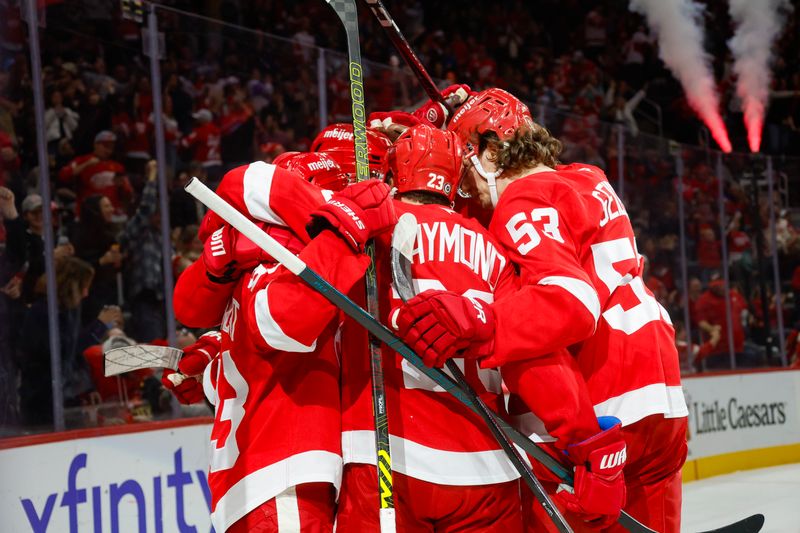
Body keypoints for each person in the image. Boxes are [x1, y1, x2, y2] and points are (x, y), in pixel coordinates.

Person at [393, 88, 688, 532]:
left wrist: (484, 321)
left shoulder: (522, 199)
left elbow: (570, 300)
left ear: (489, 151)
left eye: (467, 169)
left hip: (601, 400)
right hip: (660, 393)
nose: (465, 191)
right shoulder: (588, 177)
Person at [57, 130, 133, 218]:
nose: (108, 150)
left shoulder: (117, 167)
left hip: (112, 215)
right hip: (88, 216)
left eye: (111, 147)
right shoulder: (82, 160)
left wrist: (123, 186)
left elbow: (128, 194)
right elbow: (63, 176)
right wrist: (86, 165)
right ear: (95, 144)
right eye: (105, 146)